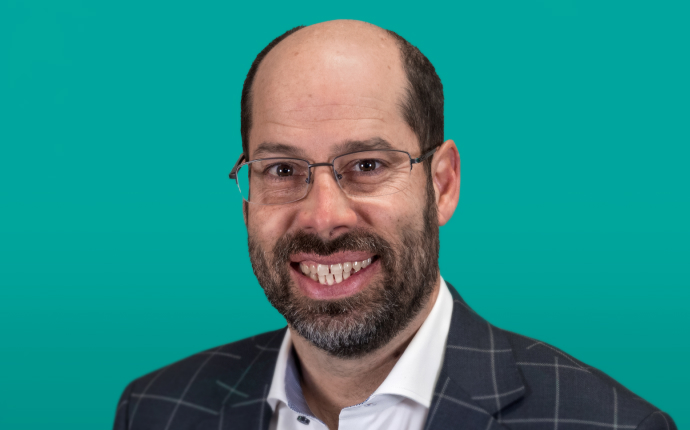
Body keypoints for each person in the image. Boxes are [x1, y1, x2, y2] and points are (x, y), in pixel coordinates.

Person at [113, 20, 676, 430]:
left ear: (442, 185)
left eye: (366, 166)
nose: (323, 217)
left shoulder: (606, 423)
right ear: (247, 201)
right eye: (282, 170)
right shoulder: (157, 410)